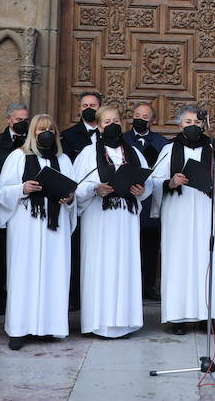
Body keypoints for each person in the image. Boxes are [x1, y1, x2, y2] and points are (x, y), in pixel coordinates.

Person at [147, 103, 215, 333]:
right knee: (179, 262)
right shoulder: (169, 149)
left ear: (203, 124)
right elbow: (154, 181)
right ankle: (179, 317)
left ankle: (208, 316)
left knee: (206, 260)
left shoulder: (213, 149)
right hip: (179, 212)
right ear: (180, 125)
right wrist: (170, 182)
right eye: (188, 123)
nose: (193, 126)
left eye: (196, 122)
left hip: (206, 210)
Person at [0, 113, 76, 348]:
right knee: (24, 275)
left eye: (50, 129)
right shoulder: (18, 157)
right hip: (26, 222)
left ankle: (48, 327)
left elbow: (73, 192)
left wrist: (68, 198)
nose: (46, 133)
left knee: (53, 273)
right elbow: (1, 191)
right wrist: (23, 187)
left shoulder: (63, 160)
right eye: (41, 130)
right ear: (32, 133)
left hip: (54, 224)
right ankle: (20, 329)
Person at [73, 105, 149, 338]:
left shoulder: (134, 152)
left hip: (125, 219)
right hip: (99, 219)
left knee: (124, 266)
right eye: (107, 122)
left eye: (116, 120)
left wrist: (140, 189)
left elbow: (149, 183)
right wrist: (95, 189)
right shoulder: (88, 153)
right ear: (98, 125)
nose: (112, 125)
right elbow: (76, 186)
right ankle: (98, 322)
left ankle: (125, 322)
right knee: (100, 267)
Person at [0, 102, 30, 317]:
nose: (22, 123)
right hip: (3, 203)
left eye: (25, 120)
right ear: (9, 120)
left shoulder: (33, 141)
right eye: (18, 120)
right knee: (1, 254)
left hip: (27, 206)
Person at [60, 90, 103, 310]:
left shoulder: (112, 136)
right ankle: (75, 296)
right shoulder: (68, 137)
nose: (88, 108)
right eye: (85, 105)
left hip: (105, 205)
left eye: (93, 105)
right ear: (79, 109)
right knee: (76, 250)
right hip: (78, 201)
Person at [127, 101, 169, 302]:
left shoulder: (162, 142)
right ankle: (130, 285)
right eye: (137, 116)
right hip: (129, 196)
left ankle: (149, 285)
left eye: (145, 117)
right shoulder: (123, 140)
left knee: (151, 245)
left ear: (152, 120)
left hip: (151, 199)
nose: (140, 120)